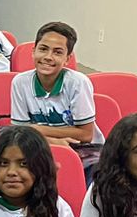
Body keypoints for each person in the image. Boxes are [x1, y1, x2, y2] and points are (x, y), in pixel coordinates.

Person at [9, 22, 100, 180]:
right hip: (38, 144)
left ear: (67, 59)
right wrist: (50, 140)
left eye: (57, 52)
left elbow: (86, 134)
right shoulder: (20, 82)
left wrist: (37, 129)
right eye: (43, 49)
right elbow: (19, 131)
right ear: (33, 52)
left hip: (86, 149)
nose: (48, 57)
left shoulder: (78, 83)